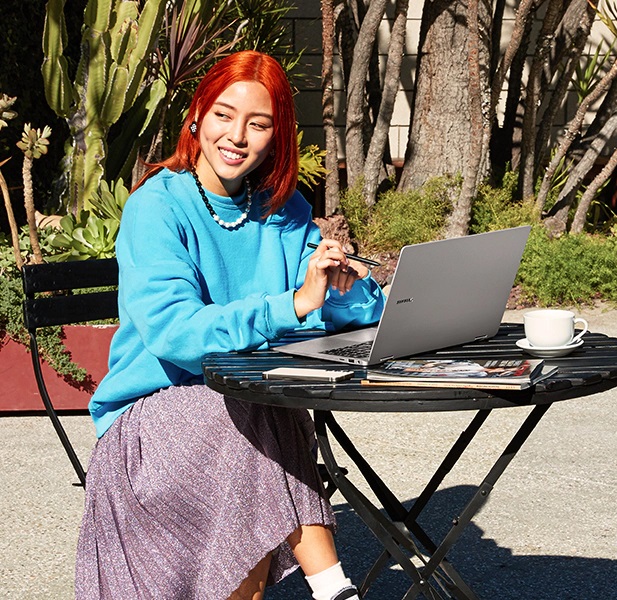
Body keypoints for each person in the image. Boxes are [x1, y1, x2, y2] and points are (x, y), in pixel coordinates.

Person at [75, 50, 385, 600]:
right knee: (240, 405)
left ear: (276, 136)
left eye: (258, 123)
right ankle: (334, 586)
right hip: (148, 422)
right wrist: (290, 304)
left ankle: (332, 589)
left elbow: (352, 310)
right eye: (224, 114)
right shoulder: (156, 207)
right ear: (197, 116)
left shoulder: (283, 211)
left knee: (251, 401)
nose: (237, 136)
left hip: (240, 415)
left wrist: (342, 281)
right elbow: (176, 334)